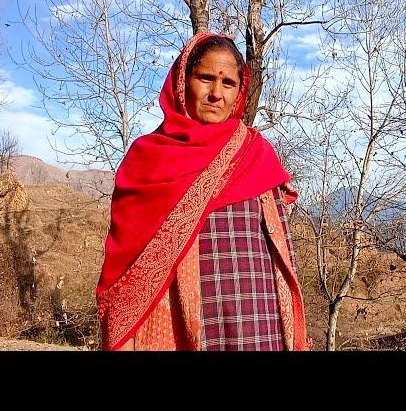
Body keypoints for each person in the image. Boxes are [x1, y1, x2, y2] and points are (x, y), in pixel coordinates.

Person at [96, 32, 308, 351]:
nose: (215, 94)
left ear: (239, 93)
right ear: (183, 82)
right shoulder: (148, 161)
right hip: (180, 326)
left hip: (259, 321)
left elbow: (280, 248)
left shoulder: (256, 153)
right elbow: (127, 264)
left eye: (228, 83)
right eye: (205, 78)